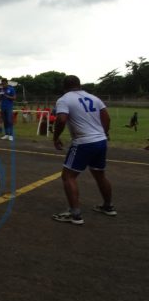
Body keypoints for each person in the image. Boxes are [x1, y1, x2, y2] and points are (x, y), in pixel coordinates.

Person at [51, 75, 116, 225]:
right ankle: (108, 206)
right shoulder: (94, 98)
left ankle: (75, 214)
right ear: (79, 85)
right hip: (100, 141)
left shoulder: (64, 99)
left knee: (68, 176)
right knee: (100, 174)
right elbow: (107, 118)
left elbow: (61, 119)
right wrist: (104, 133)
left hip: (83, 142)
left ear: (64, 87)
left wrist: (55, 137)